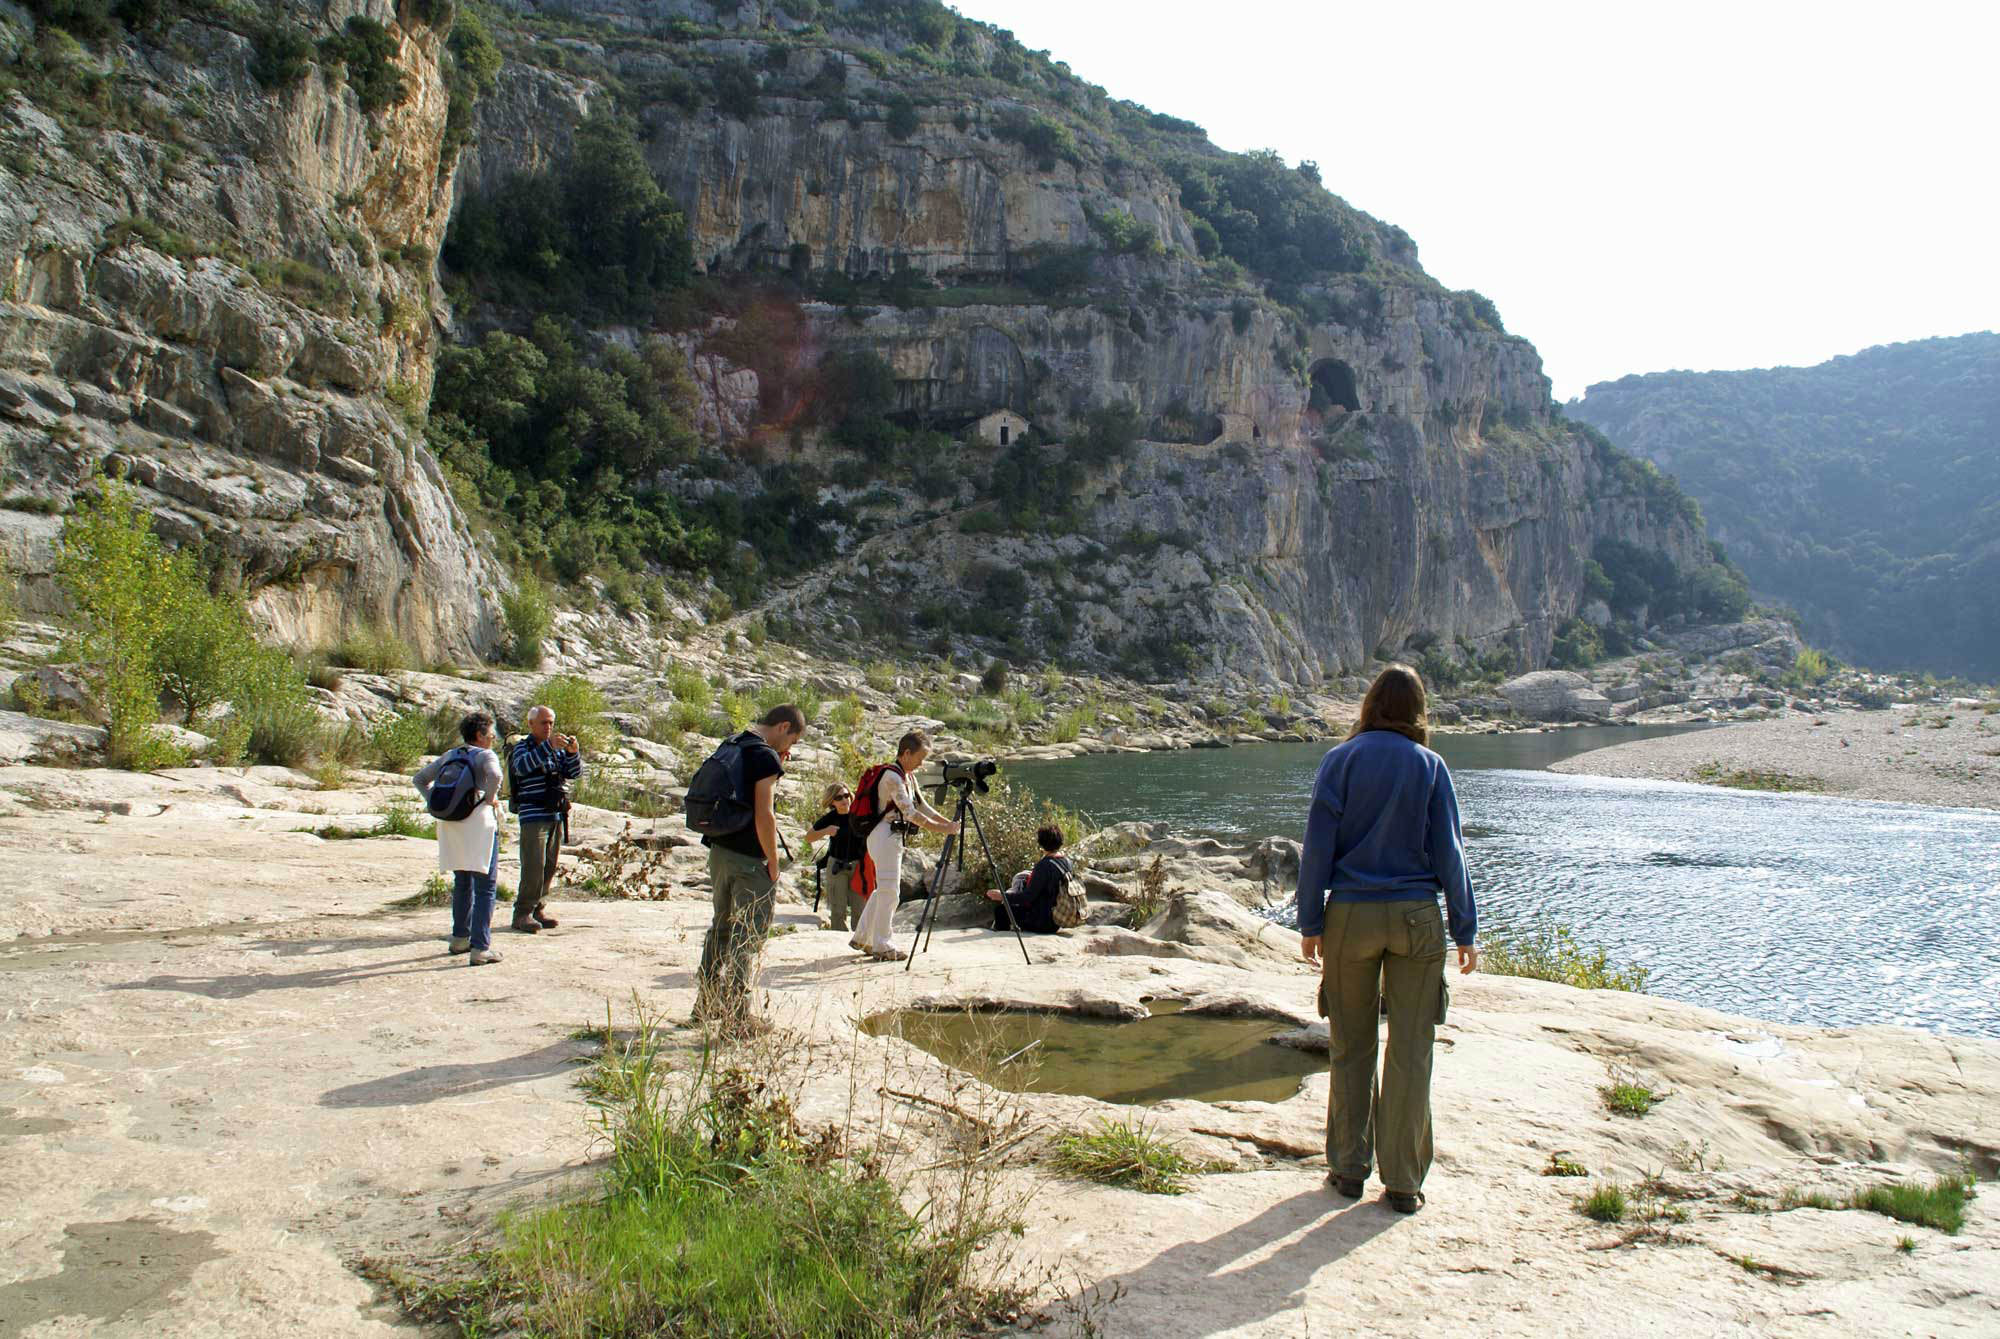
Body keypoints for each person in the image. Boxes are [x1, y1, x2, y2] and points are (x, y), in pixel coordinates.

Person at [1296, 664, 1478, 1216]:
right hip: (1417, 918)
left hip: (1350, 916)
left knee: (1351, 1045)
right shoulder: (1430, 765)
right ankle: (1402, 1183)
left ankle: (1348, 1170)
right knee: (1411, 1050)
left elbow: (1317, 846)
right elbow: (1449, 851)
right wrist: (1465, 928)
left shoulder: (1340, 760)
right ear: (1419, 711)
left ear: (1370, 704)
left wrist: (1310, 923)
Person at [695, 704, 807, 1029]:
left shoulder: (734, 742)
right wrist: (773, 861)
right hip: (749, 859)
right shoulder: (765, 756)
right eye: (793, 740)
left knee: (720, 928)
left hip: (719, 850)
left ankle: (705, 1005)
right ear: (783, 727)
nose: (790, 748)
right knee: (746, 935)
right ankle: (737, 1016)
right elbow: (765, 813)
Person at [849, 730, 960, 962]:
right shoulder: (892, 777)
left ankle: (863, 937)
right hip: (884, 836)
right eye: (920, 758)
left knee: (884, 889)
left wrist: (948, 823)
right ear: (906, 753)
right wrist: (943, 829)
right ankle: (882, 945)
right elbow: (910, 813)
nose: (921, 764)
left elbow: (922, 806)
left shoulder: (907, 776)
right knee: (891, 892)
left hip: (889, 837)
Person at [413, 712, 506, 967]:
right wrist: (489, 799)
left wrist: (434, 802)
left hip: (451, 824)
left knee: (462, 881)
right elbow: (496, 776)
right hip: (478, 823)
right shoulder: (485, 755)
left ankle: (459, 938)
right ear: (479, 735)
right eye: (491, 733)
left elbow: (419, 779)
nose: (493, 738)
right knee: (485, 885)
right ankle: (480, 948)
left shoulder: (450, 755)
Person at [508, 704, 583, 934]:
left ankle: (538, 907)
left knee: (549, 865)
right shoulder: (523, 747)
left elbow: (573, 773)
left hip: (555, 813)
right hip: (533, 814)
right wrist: (548, 747)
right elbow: (521, 767)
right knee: (533, 865)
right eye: (543, 723)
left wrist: (573, 753)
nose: (548, 727)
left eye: (551, 723)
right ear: (531, 724)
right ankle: (522, 912)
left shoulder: (556, 749)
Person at [983, 824, 1072, 934]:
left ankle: (1001, 936)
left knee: (1001, 911)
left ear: (1041, 843)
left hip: (1042, 922)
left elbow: (1027, 897)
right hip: (1057, 920)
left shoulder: (1044, 865)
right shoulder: (1067, 861)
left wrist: (1002, 896)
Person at [805, 782, 864, 934]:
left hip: (859, 866)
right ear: (832, 802)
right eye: (839, 798)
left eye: (846, 795)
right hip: (837, 866)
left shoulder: (859, 814)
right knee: (838, 910)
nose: (844, 800)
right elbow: (809, 837)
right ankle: (838, 940)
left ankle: (860, 940)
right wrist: (826, 831)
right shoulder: (830, 818)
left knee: (860, 909)